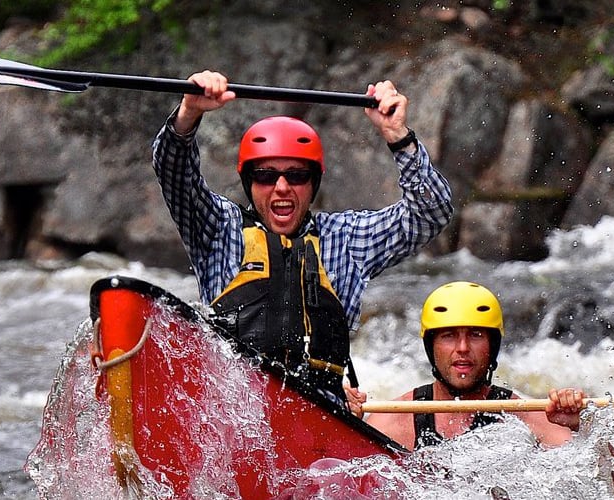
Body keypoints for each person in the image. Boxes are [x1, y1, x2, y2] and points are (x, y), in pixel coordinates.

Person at [151, 71, 455, 404]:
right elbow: (175, 174)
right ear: (249, 183)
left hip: (319, 413)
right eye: (266, 176)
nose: (282, 187)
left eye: (296, 175)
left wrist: (398, 136)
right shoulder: (219, 230)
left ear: (313, 184)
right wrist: (188, 114)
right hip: (232, 409)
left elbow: (431, 212)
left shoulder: (346, 239)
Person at [355, 281, 587, 449]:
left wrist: (584, 430)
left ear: (492, 346)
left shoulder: (526, 417)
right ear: (431, 347)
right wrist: (343, 424)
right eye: (448, 336)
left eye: (475, 335)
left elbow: (613, 488)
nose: (463, 347)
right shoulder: (392, 420)